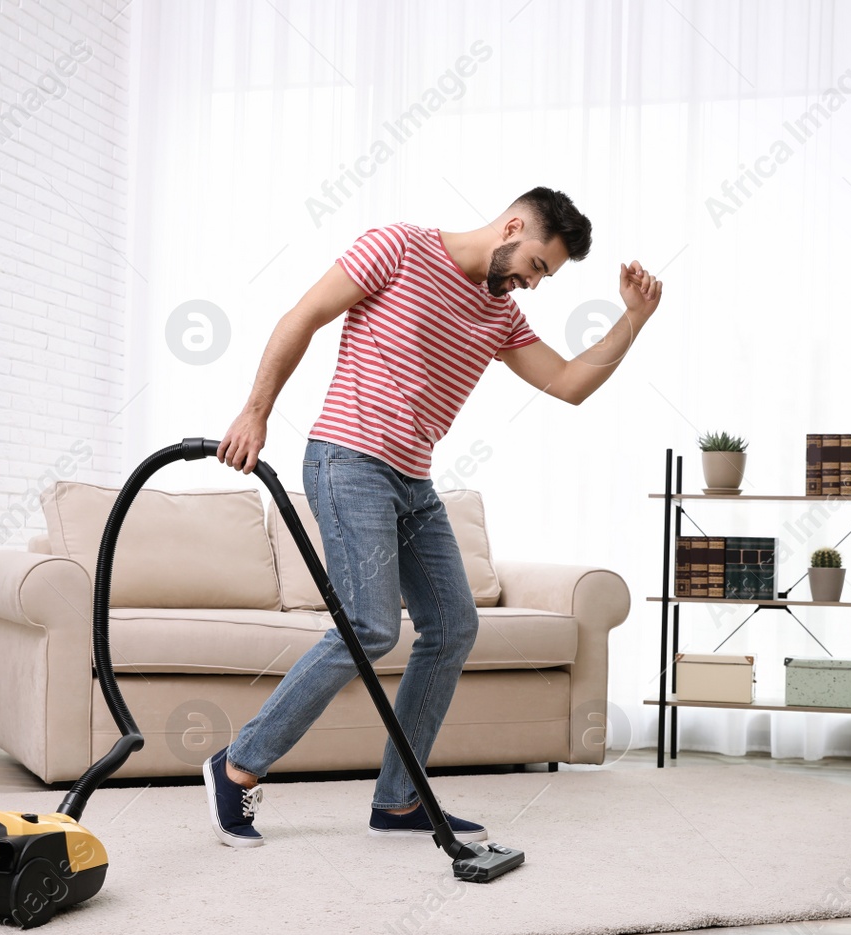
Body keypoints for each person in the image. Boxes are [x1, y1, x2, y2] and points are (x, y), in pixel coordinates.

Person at [205, 187, 661, 847]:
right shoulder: (399, 246)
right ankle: (238, 764)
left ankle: (398, 801)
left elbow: (567, 384)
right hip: (348, 459)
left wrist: (634, 318)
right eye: (535, 264)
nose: (532, 283)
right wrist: (256, 409)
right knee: (369, 624)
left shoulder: (500, 315)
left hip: (412, 480)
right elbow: (302, 316)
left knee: (452, 624)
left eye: (543, 277)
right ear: (512, 225)